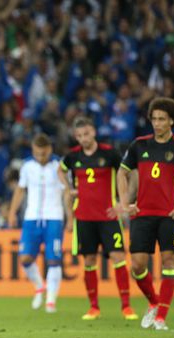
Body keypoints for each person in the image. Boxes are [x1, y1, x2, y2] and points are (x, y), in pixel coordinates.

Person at [116, 97, 174, 331]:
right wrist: (125, 202)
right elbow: (121, 173)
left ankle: (160, 318)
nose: (156, 123)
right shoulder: (139, 145)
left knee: (168, 261)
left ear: (172, 121)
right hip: (142, 214)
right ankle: (154, 303)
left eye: (161, 119)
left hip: (169, 216)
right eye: (154, 119)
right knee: (137, 265)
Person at [58, 116, 138, 321]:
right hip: (83, 217)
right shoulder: (72, 157)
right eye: (79, 136)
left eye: (86, 134)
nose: (83, 138)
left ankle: (126, 306)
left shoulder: (109, 153)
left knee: (118, 258)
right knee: (89, 260)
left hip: (108, 216)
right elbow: (60, 170)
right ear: (75, 137)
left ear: (93, 132)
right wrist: (68, 188)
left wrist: (123, 202)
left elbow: (129, 173)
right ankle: (94, 307)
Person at [8, 134, 68, 313]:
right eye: (37, 153)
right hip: (31, 217)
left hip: (54, 217)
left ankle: (50, 301)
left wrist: (70, 218)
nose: (40, 157)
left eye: (43, 153)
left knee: (53, 260)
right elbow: (20, 190)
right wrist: (12, 213)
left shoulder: (60, 167)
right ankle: (39, 286)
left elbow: (67, 193)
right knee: (25, 258)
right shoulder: (27, 166)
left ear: (50, 149)